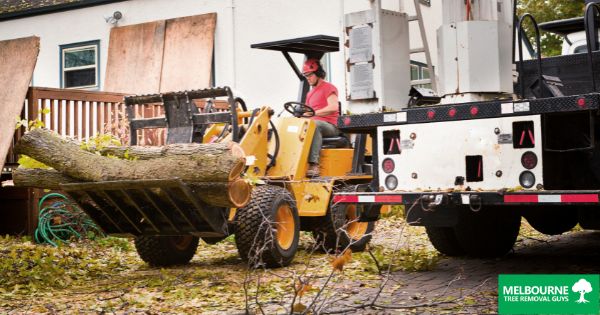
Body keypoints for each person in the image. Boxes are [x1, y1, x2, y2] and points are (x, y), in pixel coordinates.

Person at [302, 58, 340, 177]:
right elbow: (308, 112)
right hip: (314, 123)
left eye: (310, 75)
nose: (308, 78)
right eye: (305, 75)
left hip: (331, 126)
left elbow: (333, 107)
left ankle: (314, 164)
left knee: (314, 125)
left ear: (318, 73)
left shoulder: (329, 88)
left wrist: (314, 114)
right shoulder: (309, 93)